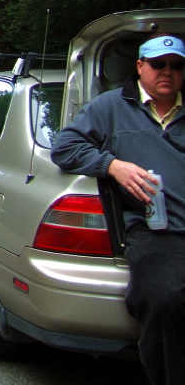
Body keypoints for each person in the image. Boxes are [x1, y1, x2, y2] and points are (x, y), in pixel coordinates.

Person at [51, 34, 185, 385]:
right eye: (158, 64)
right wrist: (112, 166)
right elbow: (65, 148)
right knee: (164, 300)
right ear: (140, 67)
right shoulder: (111, 107)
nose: (167, 72)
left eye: (176, 65)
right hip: (158, 231)